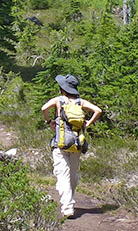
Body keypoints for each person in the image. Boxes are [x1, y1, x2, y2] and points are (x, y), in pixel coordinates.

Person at [40, 74, 101, 219]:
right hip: (76, 144)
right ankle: (69, 201)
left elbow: (44, 108)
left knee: (62, 174)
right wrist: (88, 123)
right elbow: (98, 110)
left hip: (60, 143)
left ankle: (67, 207)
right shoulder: (81, 102)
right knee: (73, 175)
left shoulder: (58, 101)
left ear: (62, 88)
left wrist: (49, 121)